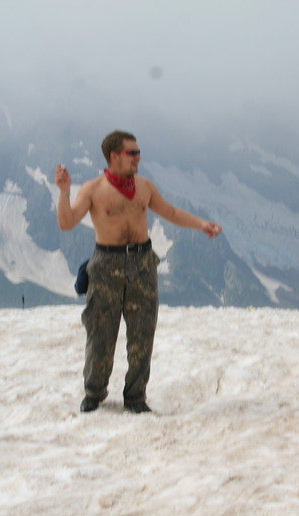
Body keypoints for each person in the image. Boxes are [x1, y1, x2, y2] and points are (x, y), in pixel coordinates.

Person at [55, 130, 222, 414]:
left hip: (142, 262)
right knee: (100, 333)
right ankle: (94, 393)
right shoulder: (93, 189)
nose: (138, 158)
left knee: (142, 333)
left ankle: (135, 397)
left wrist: (201, 224)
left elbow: (171, 212)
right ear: (114, 156)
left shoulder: (144, 186)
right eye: (132, 153)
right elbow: (67, 222)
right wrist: (64, 191)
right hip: (106, 264)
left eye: (138, 152)